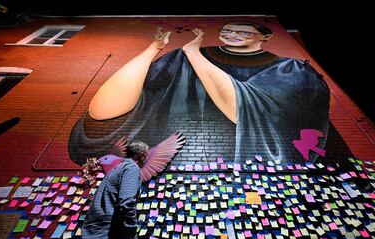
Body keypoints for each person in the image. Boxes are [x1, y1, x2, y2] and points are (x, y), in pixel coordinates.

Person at [69, 22, 332, 164]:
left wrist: (194, 53)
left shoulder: (291, 70)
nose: (232, 34)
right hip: (176, 173)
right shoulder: (180, 59)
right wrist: (153, 49)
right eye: (227, 30)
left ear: (264, 37)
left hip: (248, 180)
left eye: (243, 31)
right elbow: (106, 111)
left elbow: (242, 107)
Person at [74, 141, 148, 239]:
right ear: (141, 155)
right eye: (146, 156)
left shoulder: (114, 171)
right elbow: (126, 204)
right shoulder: (131, 169)